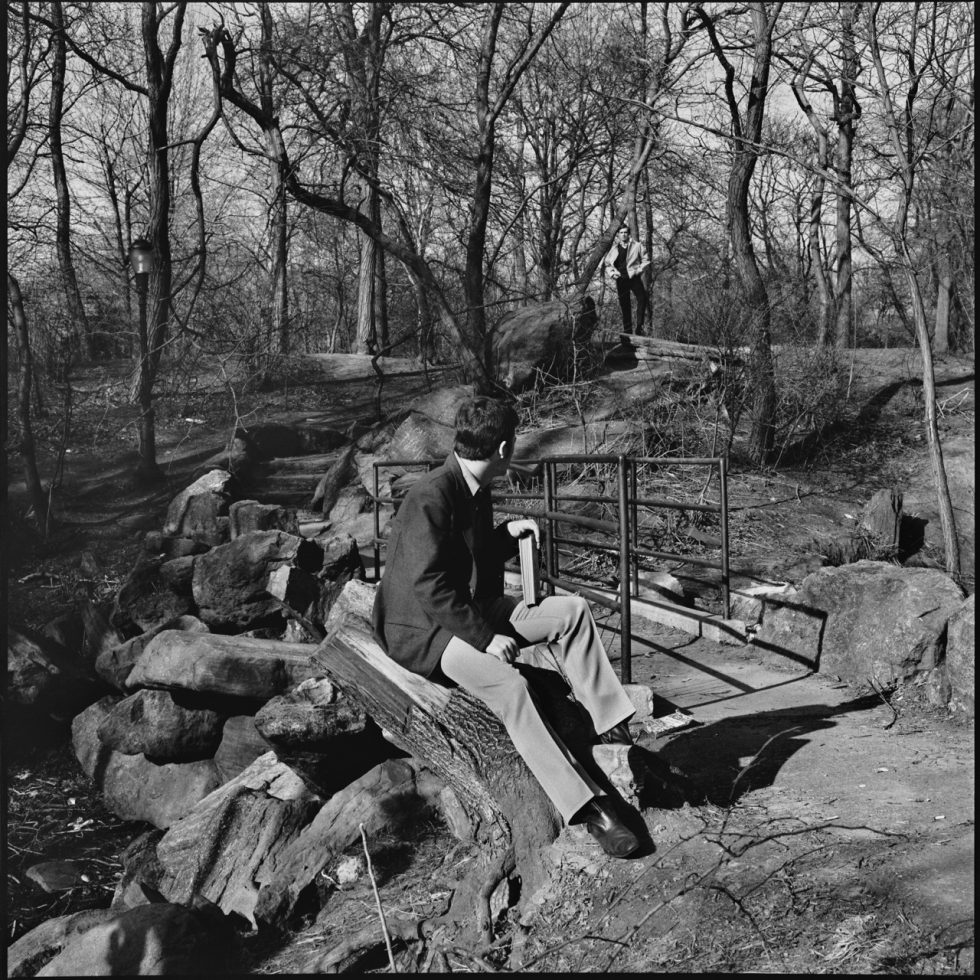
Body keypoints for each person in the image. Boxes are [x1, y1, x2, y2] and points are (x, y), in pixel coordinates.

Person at [372, 396, 642, 858]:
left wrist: (505, 535)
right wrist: (484, 638)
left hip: (468, 609)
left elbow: (464, 561)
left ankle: (610, 723)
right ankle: (589, 808)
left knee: (573, 611)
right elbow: (428, 584)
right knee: (512, 686)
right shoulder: (431, 495)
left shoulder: (474, 484)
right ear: (501, 448)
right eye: (513, 442)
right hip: (427, 632)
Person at [603, 226, 650, 335]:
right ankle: (627, 331)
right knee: (625, 305)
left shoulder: (637, 245)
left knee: (642, 299)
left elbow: (646, 260)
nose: (623, 234)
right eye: (621, 232)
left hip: (634, 277)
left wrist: (638, 270)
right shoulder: (614, 248)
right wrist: (612, 274)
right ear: (618, 234)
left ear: (628, 234)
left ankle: (639, 327)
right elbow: (607, 263)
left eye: (625, 232)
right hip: (621, 279)